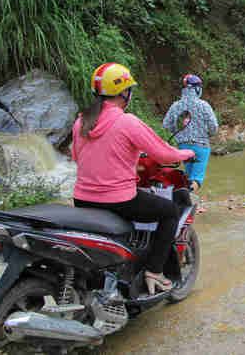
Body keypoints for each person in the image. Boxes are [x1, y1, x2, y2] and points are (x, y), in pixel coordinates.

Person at [72, 63, 195, 295]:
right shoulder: (126, 122)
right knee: (168, 212)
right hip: (119, 201)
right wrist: (187, 153)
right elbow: (163, 154)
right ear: (125, 93)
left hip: (82, 200)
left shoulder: (81, 122)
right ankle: (155, 272)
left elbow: (77, 157)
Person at [163, 74, 219, 192]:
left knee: (188, 177)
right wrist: (208, 134)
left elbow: (166, 125)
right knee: (197, 179)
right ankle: (187, 199)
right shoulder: (204, 105)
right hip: (201, 146)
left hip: (183, 147)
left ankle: (183, 198)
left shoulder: (175, 106)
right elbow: (213, 127)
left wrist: (178, 132)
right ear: (197, 89)